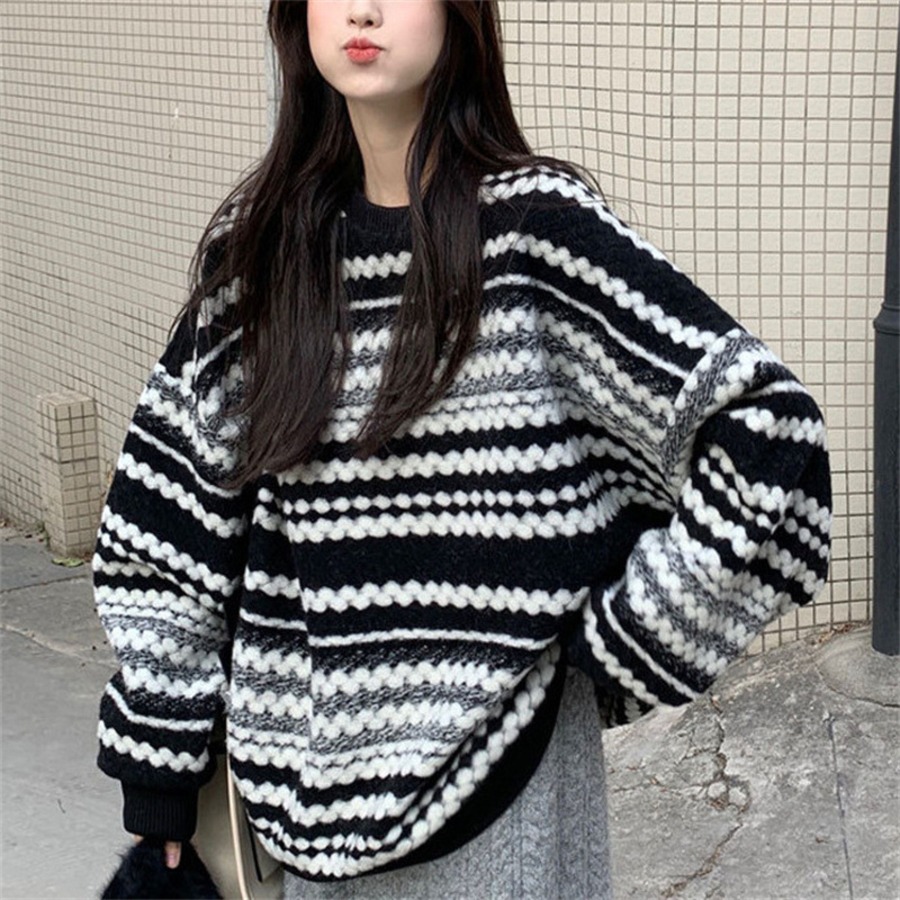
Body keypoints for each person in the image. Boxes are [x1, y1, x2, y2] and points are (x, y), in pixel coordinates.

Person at [93, 1, 832, 897]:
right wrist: (160, 753)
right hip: (307, 801)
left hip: (509, 786)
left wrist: (635, 631)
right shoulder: (263, 255)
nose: (363, 9)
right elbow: (169, 523)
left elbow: (768, 431)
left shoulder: (535, 233)